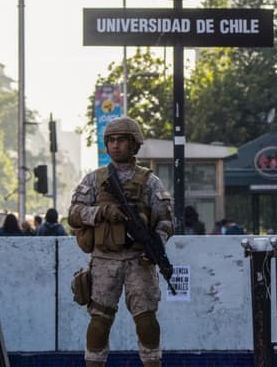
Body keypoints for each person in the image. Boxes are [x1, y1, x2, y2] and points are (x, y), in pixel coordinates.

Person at [68, 116, 173, 367]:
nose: (115, 146)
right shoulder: (95, 180)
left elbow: (166, 221)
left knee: (147, 321)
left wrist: (155, 246)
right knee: (99, 321)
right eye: (111, 140)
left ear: (134, 144)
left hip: (139, 261)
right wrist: (102, 213)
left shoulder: (150, 181)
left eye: (122, 140)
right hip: (105, 260)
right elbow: (74, 214)